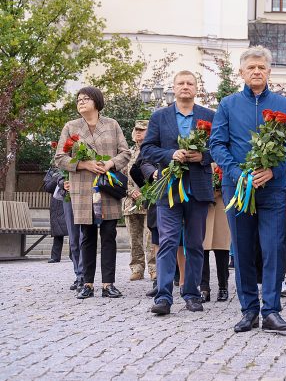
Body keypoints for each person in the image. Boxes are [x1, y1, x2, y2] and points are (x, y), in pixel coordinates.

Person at [209, 46, 286, 332]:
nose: (257, 72)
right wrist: (237, 174)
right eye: (251, 68)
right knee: (244, 250)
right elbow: (217, 143)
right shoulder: (228, 104)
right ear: (242, 72)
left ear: (269, 71)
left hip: (271, 188)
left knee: (274, 248)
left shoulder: (284, 105)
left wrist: (274, 169)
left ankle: (271, 311)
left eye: (261, 67)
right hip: (237, 189)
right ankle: (249, 310)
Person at [140, 71, 215, 315]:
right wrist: (170, 154)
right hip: (168, 190)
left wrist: (202, 156)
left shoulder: (209, 116)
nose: (185, 87)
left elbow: (221, 147)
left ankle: (192, 294)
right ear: (174, 88)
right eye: (181, 83)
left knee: (194, 244)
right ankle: (163, 297)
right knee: (167, 242)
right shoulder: (160, 116)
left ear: (196, 88)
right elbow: (148, 149)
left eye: (190, 83)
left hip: (198, 190)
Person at [55, 86, 131, 299]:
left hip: (107, 187)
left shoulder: (112, 125)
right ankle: (86, 283)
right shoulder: (71, 127)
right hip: (82, 188)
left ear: (97, 102)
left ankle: (108, 284)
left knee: (109, 235)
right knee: (86, 237)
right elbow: (59, 157)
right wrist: (84, 164)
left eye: (86, 98)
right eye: (78, 99)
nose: (81, 102)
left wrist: (110, 165)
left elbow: (125, 152)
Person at [122, 120, 155, 282]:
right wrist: (130, 191)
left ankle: (154, 268)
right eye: (137, 130)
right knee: (133, 238)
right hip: (130, 202)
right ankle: (137, 268)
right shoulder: (126, 154)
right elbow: (119, 177)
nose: (139, 133)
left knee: (151, 237)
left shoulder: (153, 152)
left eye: (142, 130)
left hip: (149, 200)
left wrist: (145, 192)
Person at [201, 163, 231, 303]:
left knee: (222, 246)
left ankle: (223, 286)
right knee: (201, 248)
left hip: (221, 201)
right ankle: (204, 287)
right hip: (202, 203)